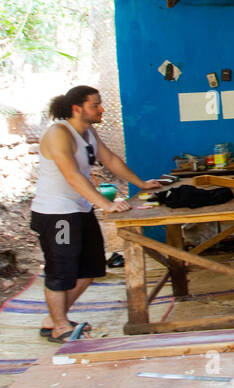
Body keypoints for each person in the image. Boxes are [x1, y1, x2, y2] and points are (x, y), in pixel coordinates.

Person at [30, 86, 159, 341]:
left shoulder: (88, 132)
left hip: (79, 209)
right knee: (61, 270)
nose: (101, 109)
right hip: (57, 215)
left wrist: (141, 183)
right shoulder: (58, 133)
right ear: (77, 108)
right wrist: (106, 204)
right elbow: (72, 175)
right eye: (95, 105)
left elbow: (110, 160)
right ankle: (59, 326)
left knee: (90, 269)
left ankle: (54, 320)